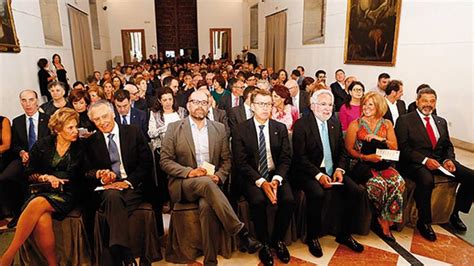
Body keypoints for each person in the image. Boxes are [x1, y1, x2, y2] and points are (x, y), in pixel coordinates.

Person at [160, 91, 261, 265]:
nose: (200, 105)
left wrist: (219, 177)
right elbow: (165, 161)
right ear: (188, 105)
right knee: (205, 183)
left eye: (204, 102)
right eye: (195, 102)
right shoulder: (175, 128)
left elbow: (227, 160)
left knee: (207, 205)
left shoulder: (219, 128)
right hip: (184, 185)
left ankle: (210, 259)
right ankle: (240, 231)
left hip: (211, 184)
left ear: (209, 106)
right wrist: (189, 172)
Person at [0, 108, 85, 266]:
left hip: (68, 192)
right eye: (70, 128)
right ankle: (53, 264)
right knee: (41, 218)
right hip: (43, 189)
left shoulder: (81, 147)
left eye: (76, 127)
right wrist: (44, 177)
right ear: (58, 129)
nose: (75, 131)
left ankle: (7, 256)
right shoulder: (43, 144)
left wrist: (60, 179)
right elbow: (29, 171)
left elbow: (82, 175)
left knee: (38, 203)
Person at [292, 89, 365, 258]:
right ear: (313, 106)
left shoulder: (334, 122)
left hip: (332, 170)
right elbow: (300, 158)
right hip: (308, 171)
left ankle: (344, 234)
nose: (327, 109)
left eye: (330, 105)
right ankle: (312, 237)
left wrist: (339, 170)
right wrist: (319, 175)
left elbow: (342, 152)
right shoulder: (302, 125)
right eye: (323, 104)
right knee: (317, 193)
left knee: (356, 191)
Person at [396, 87, 474, 241]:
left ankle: (454, 212)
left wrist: (448, 160)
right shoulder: (405, 120)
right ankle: (423, 222)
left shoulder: (441, 121)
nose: (428, 104)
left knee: (471, 176)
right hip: (415, 163)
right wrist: (424, 160)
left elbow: (447, 146)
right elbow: (403, 148)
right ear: (417, 101)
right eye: (425, 100)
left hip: (440, 161)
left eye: (432, 101)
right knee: (426, 180)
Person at [84, 100, 153, 265]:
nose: (102, 122)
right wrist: (100, 175)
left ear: (113, 113)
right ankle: (126, 255)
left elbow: (146, 163)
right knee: (112, 196)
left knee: (113, 201)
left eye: (105, 116)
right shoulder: (91, 142)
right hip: (108, 188)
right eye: (97, 119)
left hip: (132, 186)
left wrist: (128, 182)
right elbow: (87, 171)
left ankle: (115, 253)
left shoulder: (133, 132)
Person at [232, 89, 295, 266]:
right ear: (252, 106)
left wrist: (276, 179)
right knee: (258, 201)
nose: (265, 108)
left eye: (268, 104)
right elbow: (241, 162)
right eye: (260, 104)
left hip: (275, 174)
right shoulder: (240, 129)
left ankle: (278, 240)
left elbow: (285, 158)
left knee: (289, 199)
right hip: (252, 176)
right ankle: (265, 244)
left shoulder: (279, 128)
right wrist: (261, 182)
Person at [345, 92, 405, 241]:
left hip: (383, 164)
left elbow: (394, 146)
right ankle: (383, 221)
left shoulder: (387, 124)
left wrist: (380, 139)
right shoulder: (356, 124)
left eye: (370, 104)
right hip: (362, 164)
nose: (366, 107)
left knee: (399, 182)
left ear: (378, 106)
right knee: (379, 185)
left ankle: (387, 216)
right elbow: (349, 150)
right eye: (364, 104)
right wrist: (366, 157)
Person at [148, 87, 187, 152]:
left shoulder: (182, 111)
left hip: (182, 146)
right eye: (165, 100)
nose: (168, 102)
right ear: (160, 101)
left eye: (170, 99)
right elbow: (151, 133)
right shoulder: (155, 114)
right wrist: (165, 129)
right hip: (163, 148)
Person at [0, 116, 23, 221]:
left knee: (5, 178)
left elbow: (6, 145)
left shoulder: (3, 121)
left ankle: (7, 211)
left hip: (4, 158)